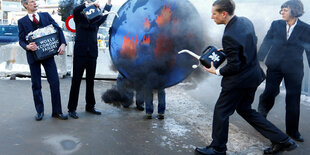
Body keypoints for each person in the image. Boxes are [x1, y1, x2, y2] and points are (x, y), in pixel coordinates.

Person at [195, 0, 297, 154]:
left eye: (214, 13)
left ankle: (218, 148)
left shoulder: (229, 35)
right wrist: (230, 51)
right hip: (253, 76)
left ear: (224, 14)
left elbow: (235, 66)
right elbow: (249, 44)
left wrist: (216, 71)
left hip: (238, 81)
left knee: (221, 111)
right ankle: (283, 140)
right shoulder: (245, 21)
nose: (211, 17)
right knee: (245, 110)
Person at [257, 0, 310, 143]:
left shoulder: (306, 28)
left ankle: (293, 131)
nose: (281, 12)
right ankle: (261, 119)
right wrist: (258, 59)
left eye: (285, 10)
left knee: (293, 99)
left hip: (294, 69)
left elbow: (309, 50)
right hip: (275, 65)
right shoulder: (276, 24)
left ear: (294, 10)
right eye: (281, 10)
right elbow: (267, 41)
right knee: (269, 93)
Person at [18, 0, 68, 120]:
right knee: (36, 84)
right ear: (25, 5)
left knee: (55, 82)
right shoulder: (21, 22)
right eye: (32, 1)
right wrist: (27, 46)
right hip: (33, 57)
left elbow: (58, 29)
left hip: (48, 55)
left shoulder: (46, 16)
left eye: (36, 1)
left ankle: (57, 111)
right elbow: (21, 40)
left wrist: (63, 43)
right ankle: (39, 111)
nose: (35, 3)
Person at [67, 0, 112, 119]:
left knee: (90, 81)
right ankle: (72, 108)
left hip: (92, 54)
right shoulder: (79, 18)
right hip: (80, 54)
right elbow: (75, 10)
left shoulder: (96, 20)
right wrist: (88, 4)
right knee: (76, 81)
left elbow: (105, 14)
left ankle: (90, 106)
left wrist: (108, 3)